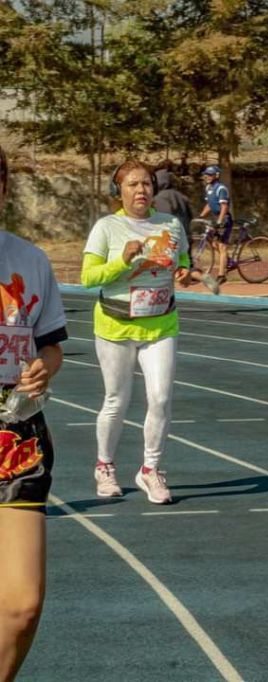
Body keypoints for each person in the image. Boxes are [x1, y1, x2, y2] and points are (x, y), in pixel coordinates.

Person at [81, 159, 193, 505]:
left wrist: (183, 271)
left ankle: (150, 469)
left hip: (161, 323)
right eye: (132, 184)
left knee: (160, 398)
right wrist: (122, 261)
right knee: (117, 400)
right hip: (116, 325)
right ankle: (105, 466)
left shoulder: (171, 225)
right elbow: (88, 278)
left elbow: (182, 259)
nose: (141, 190)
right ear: (119, 191)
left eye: (146, 183)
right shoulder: (107, 227)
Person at [0, 144, 68, 680]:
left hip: (16, 434)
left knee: (22, 606)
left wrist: (45, 367)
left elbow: (51, 345)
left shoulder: (30, 260)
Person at [153, 168, 219, 295]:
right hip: (185, 236)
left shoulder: (159, 199)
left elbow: (161, 219)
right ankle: (203, 277)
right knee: (186, 265)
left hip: (169, 238)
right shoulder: (181, 197)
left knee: (162, 266)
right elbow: (190, 215)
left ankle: (163, 293)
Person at [198, 164, 232, 284]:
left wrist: (220, 221)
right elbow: (209, 204)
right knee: (214, 244)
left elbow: (224, 206)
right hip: (216, 218)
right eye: (206, 174)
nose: (207, 176)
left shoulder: (221, 188)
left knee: (222, 247)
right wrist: (201, 215)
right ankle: (229, 261)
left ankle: (222, 275)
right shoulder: (208, 188)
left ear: (216, 176)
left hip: (224, 219)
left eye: (210, 175)